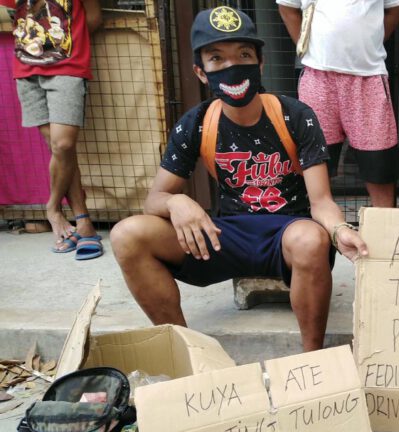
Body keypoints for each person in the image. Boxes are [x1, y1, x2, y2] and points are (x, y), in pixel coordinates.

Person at [110, 6, 368, 352]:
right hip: (225, 235)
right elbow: (155, 198)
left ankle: (312, 362)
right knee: (127, 235)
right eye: (217, 58)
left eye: (243, 55)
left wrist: (339, 231)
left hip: (287, 232)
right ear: (201, 73)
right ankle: (185, 352)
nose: (232, 67)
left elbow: (321, 202)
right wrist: (177, 201)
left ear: (260, 64)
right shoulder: (196, 123)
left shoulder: (296, 116)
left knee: (310, 239)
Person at [277, 0, 399, 208]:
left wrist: (372, 42)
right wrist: (306, 47)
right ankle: (320, 235)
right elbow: (287, 8)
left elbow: (396, 9)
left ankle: (383, 232)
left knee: (379, 163)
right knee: (316, 163)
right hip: (318, 76)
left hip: (368, 77)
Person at [12, 0, 103, 259]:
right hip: (26, 71)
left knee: (63, 145)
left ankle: (52, 208)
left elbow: (94, 19)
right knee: (60, 149)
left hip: (67, 66)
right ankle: (83, 222)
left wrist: (59, 44)